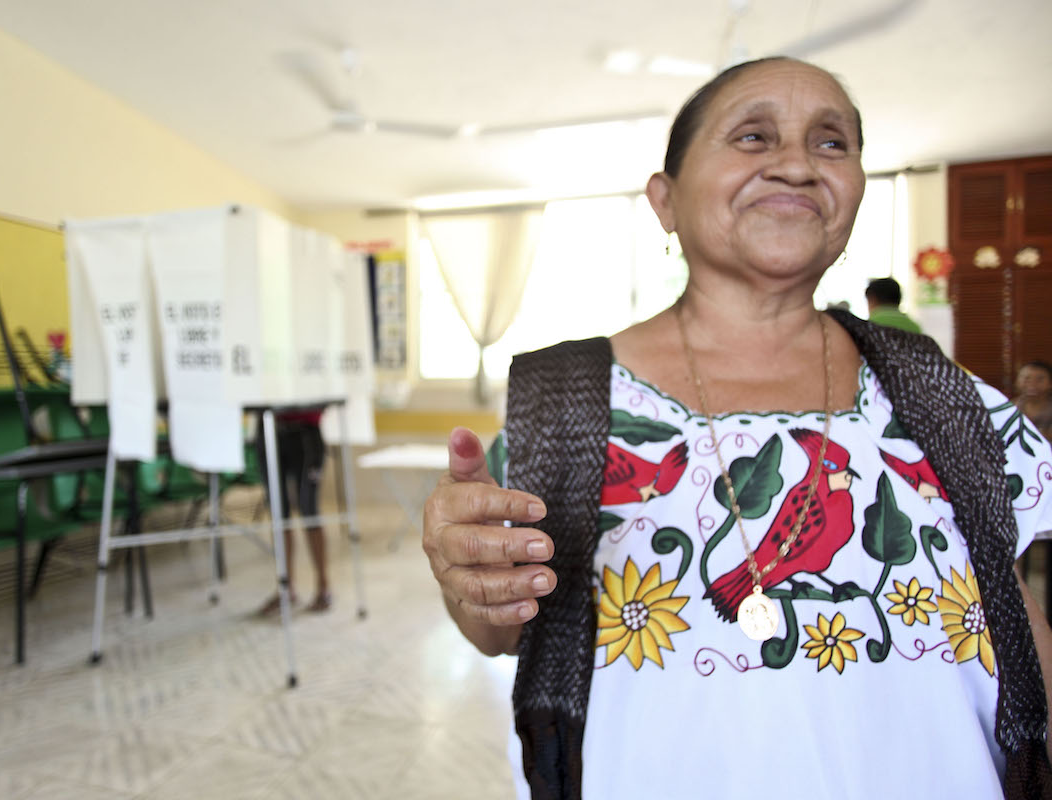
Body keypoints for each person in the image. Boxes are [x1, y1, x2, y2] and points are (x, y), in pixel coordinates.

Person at [422, 57, 1052, 799]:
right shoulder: (564, 405)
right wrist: (471, 589)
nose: (795, 164)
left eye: (831, 143)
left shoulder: (941, 393)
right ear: (666, 200)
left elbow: (1015, 619)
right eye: (753, 137)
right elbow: (504, 630)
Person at [254, 407, 332, 616]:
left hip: (305, 431)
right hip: (268, 427)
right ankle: (285, 589)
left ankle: (323, 586)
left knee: (309, 510)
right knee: (278, 514)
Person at [1014, 360, 1052, 440]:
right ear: (1017, 382)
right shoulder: (1010, 406)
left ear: (1050, 384)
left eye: (1040, 380)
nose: (1032, 384)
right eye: (1026, 379)